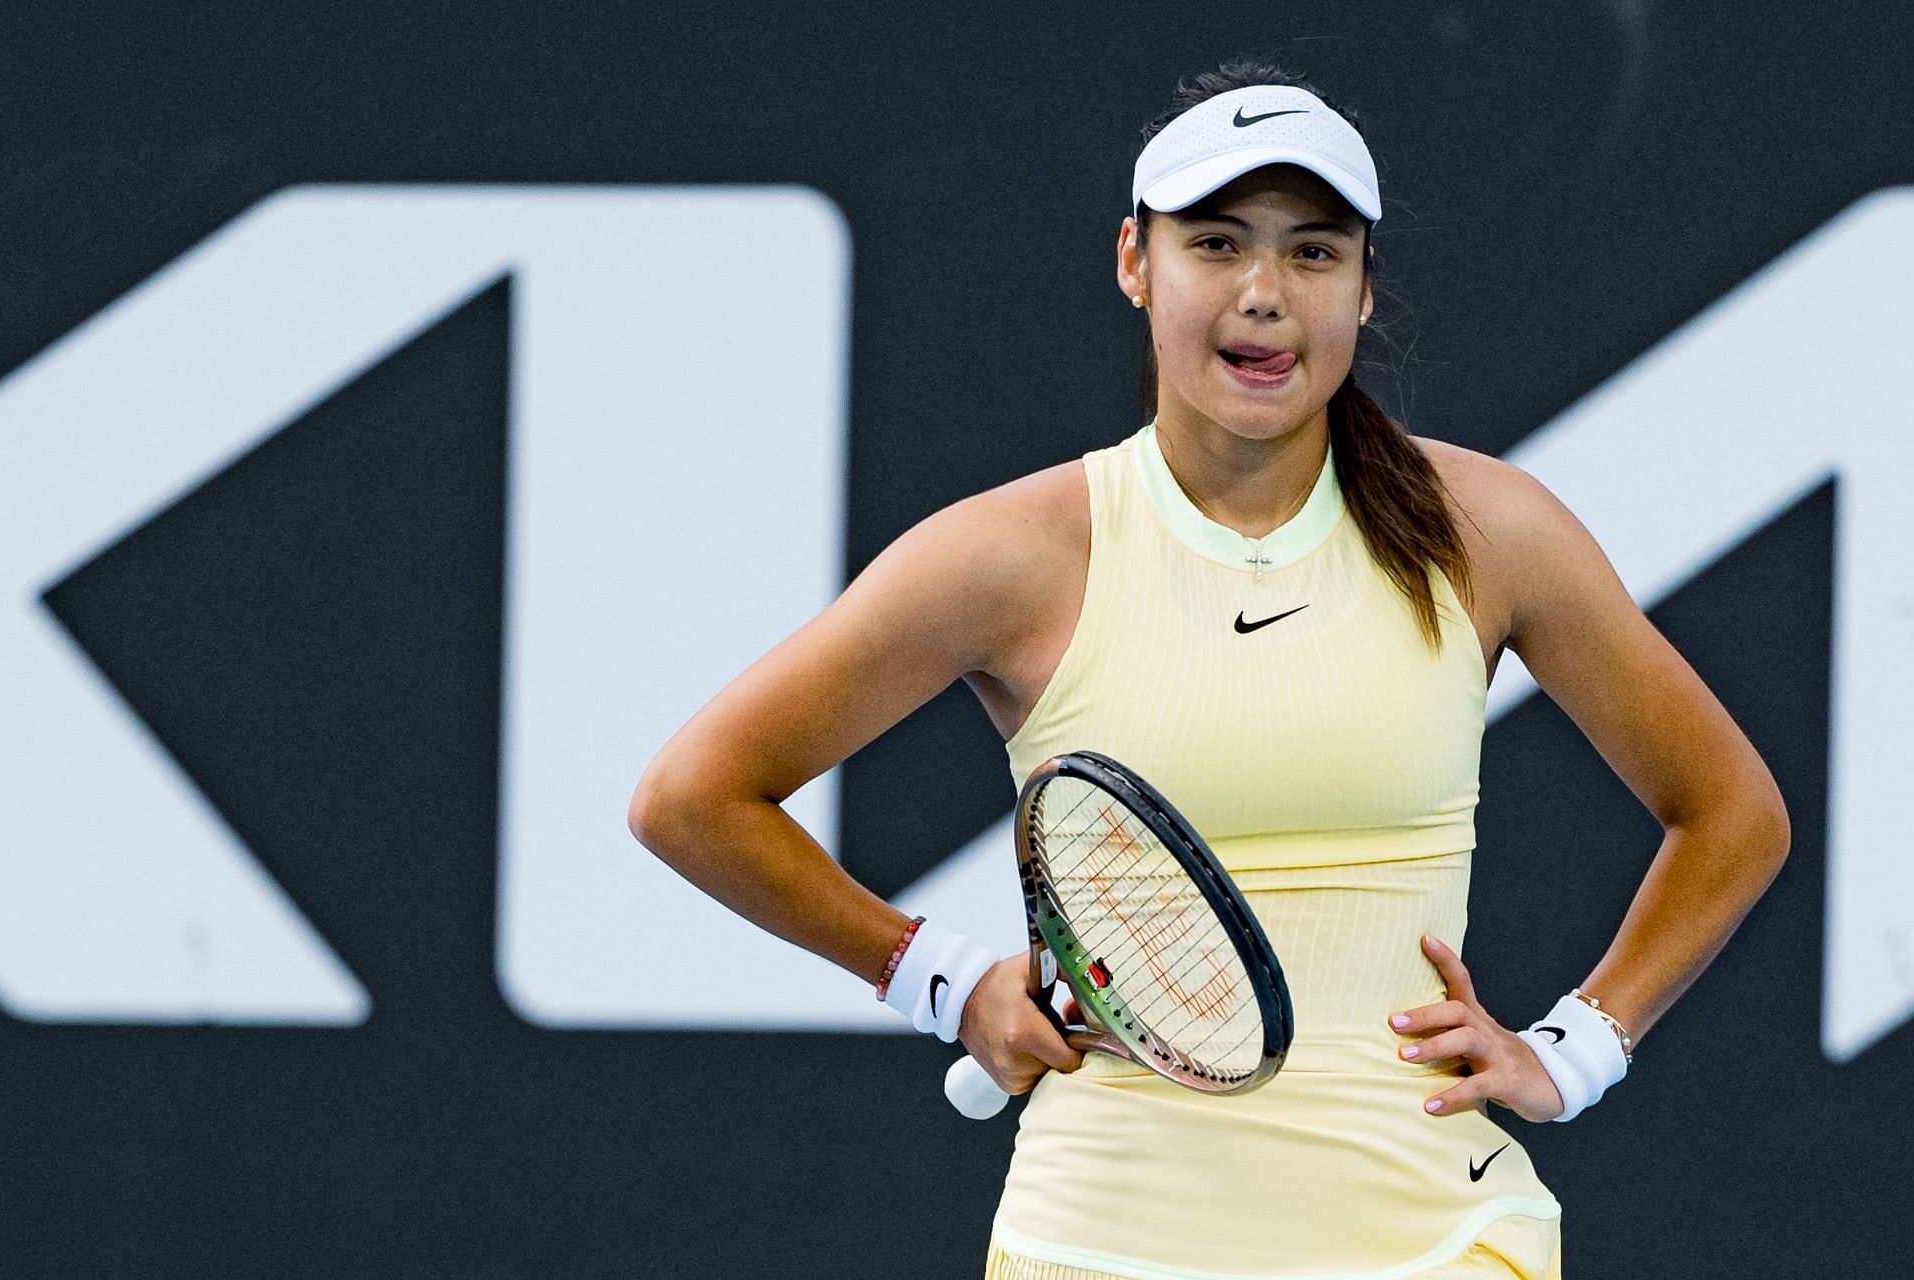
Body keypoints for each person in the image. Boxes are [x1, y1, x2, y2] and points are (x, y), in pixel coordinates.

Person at [628, 57, 1791, 1280]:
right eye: (1219, 243)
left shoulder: (1492, 530)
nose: (1264, 295)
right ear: (1137, 261)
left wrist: (1578, 1045)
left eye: (1313, 251)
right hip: (1098, 1238)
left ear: (1362, 284)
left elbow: (1731, 812)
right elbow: (693, 797)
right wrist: (941, 975)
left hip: (1438, 1238)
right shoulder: (1015, 554)